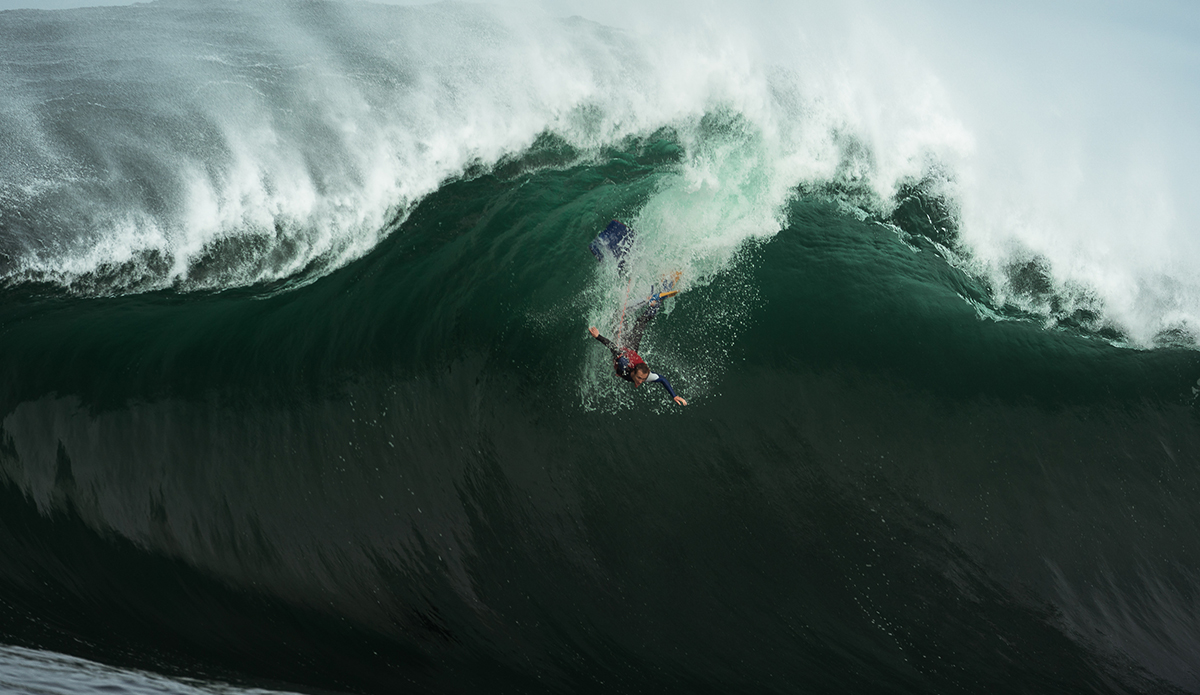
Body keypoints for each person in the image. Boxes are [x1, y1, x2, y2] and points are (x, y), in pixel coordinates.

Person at [588, 302, 688, 406]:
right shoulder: (625, 367)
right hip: (624, 352)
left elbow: (662, 379)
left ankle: (657, 302)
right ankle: (651, 304)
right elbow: (613, 348)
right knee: (639, 322)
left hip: (630, 352)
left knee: (640, 322)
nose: (641, 381)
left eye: (643, 379)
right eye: (639, 378)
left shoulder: (645, 376)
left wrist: (674, 395)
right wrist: (598, 336)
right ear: (634, 372)